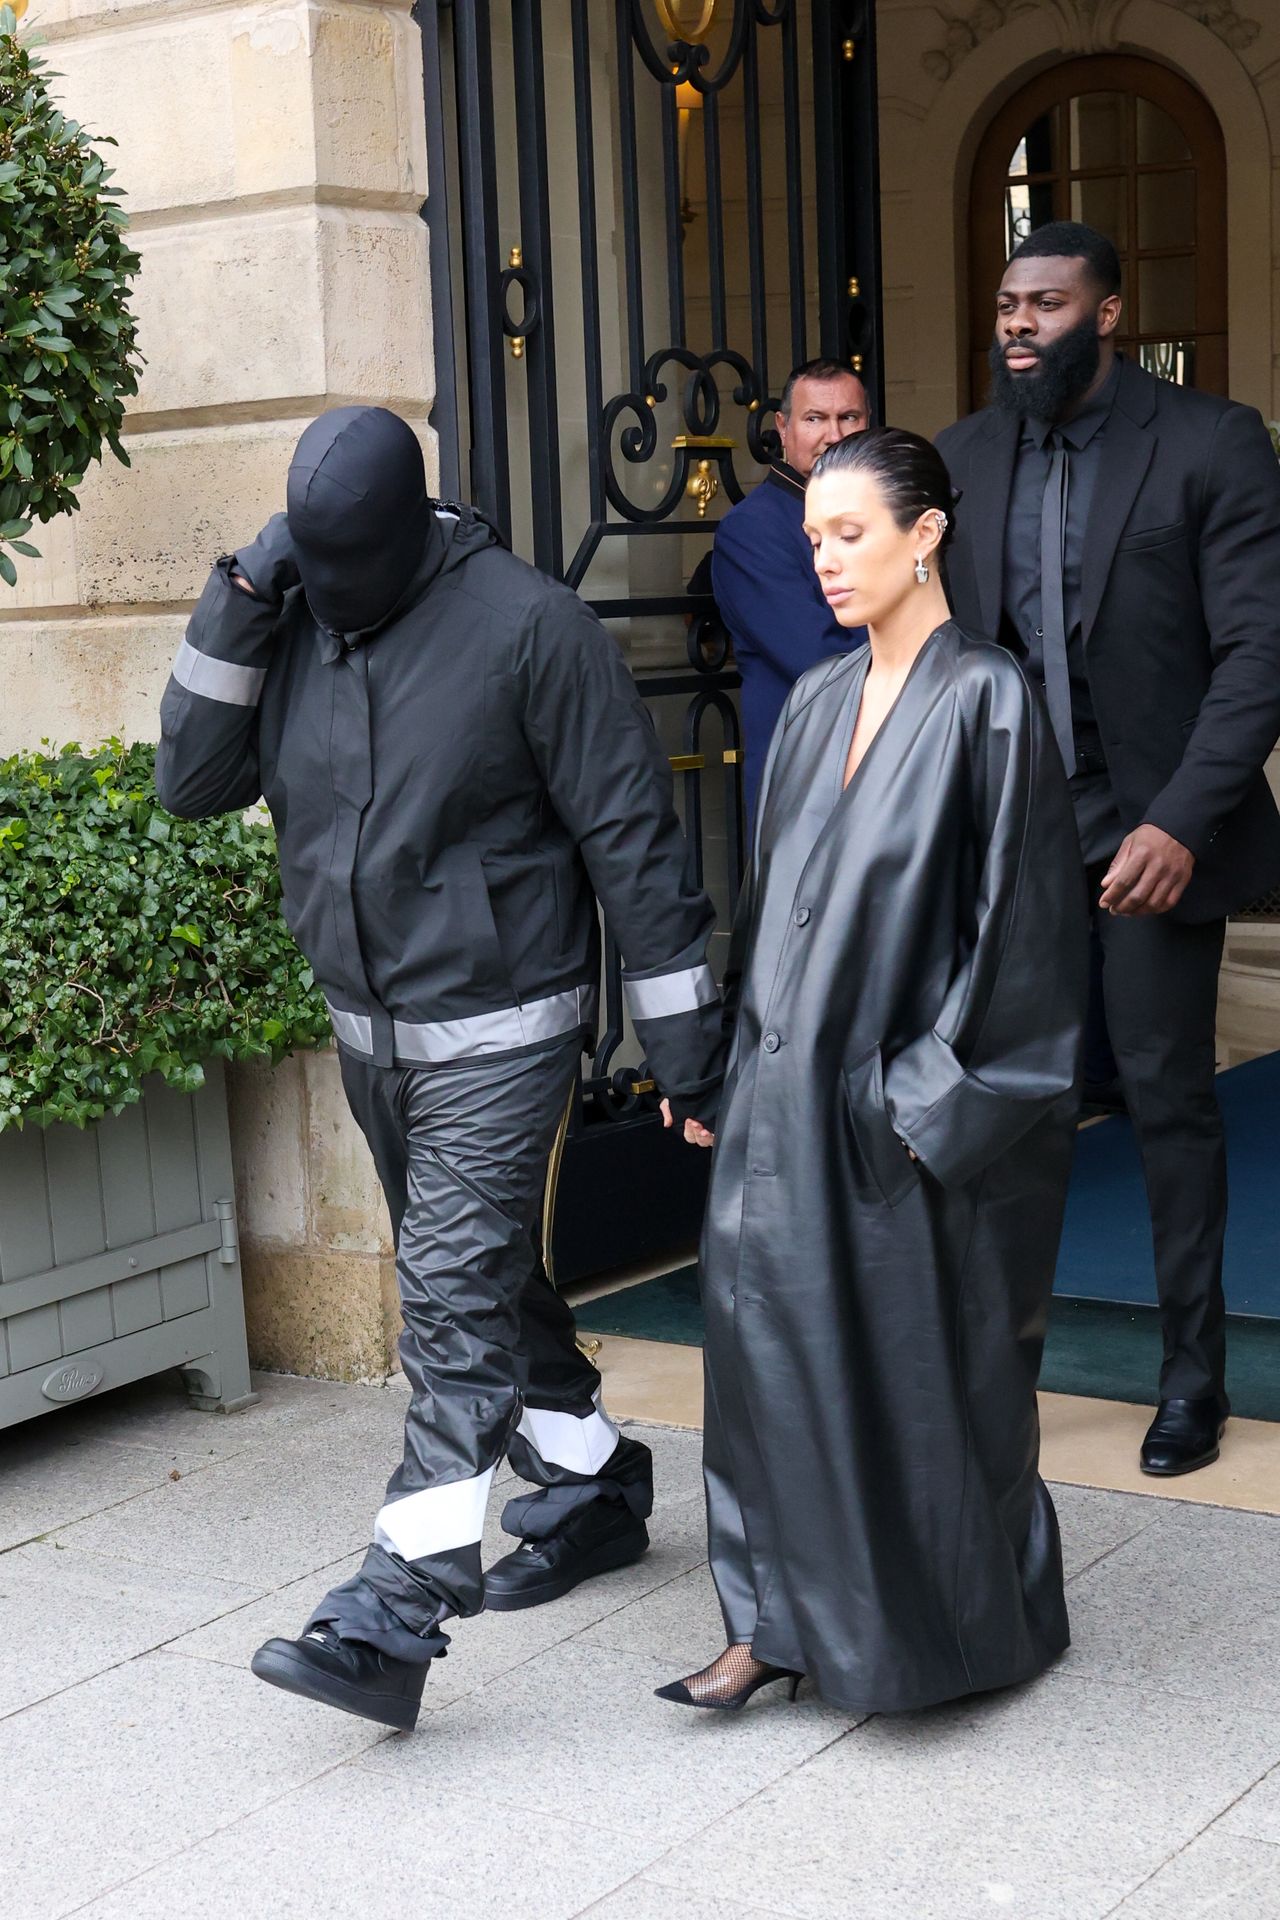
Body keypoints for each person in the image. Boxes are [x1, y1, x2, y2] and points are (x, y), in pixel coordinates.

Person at [156, 406, 725, 1732]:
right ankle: (592, 1484)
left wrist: (685, 1052)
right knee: (486, 1277)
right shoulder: (286, 605)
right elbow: (191, 780)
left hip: (505, 1029)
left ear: (410, 529)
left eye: (343, 563)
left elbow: (636, 848)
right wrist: (242, 596)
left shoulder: (531, 628)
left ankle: (393, 1610)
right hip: (376, 1033)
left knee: (447, 1305)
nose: (331, 590)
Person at [659, 428, 1088, 1715]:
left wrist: (918, 1107)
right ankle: (767, 1621)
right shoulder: (810, 704)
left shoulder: (986, 700)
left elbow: (1022, 941)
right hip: (784, 1100)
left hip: (898, 1112)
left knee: (913, 1378)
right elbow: (772, 901)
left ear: (924, 533)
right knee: (760, 1365)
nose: (826, 562)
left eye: (850, 535)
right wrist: (730, 1074)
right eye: (813, 541)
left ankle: (938, 1638)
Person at [936, 221, 1280, 1477]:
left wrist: (1177, 820)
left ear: (1108, 313)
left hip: (1150, 837)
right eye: (1006, 302)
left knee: (1166, 1105)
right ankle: (992, 1374)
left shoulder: (1207, 442)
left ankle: (1194, 1379)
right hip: (1005, 838)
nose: (1017, 323)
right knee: (1002, 1110)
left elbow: (1257, 656)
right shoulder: (962, 458)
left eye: (1045, 302)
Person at [712, 359, 870, 827]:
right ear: (783, 428)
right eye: (815, 419)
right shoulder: (751, 531)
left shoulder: (884, 517)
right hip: (807, 776)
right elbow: (821, 658)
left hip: (887, 764)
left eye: (849, 418)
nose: (834, 436)